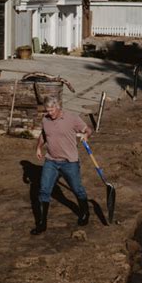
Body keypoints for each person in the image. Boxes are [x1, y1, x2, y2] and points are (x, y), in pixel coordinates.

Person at [31, 96, 93, 235]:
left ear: (58, 107)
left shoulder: (71, 118)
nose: (50, 113)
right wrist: (38, 147)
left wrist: (86, 135)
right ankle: (42, 224)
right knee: (44, 190)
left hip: (69, 162)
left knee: (77, 189)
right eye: (47, 110)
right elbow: (44, 135)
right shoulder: (46, 119)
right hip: (51, 161)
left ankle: (84, 212)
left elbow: (88, 129)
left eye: (52, 110)